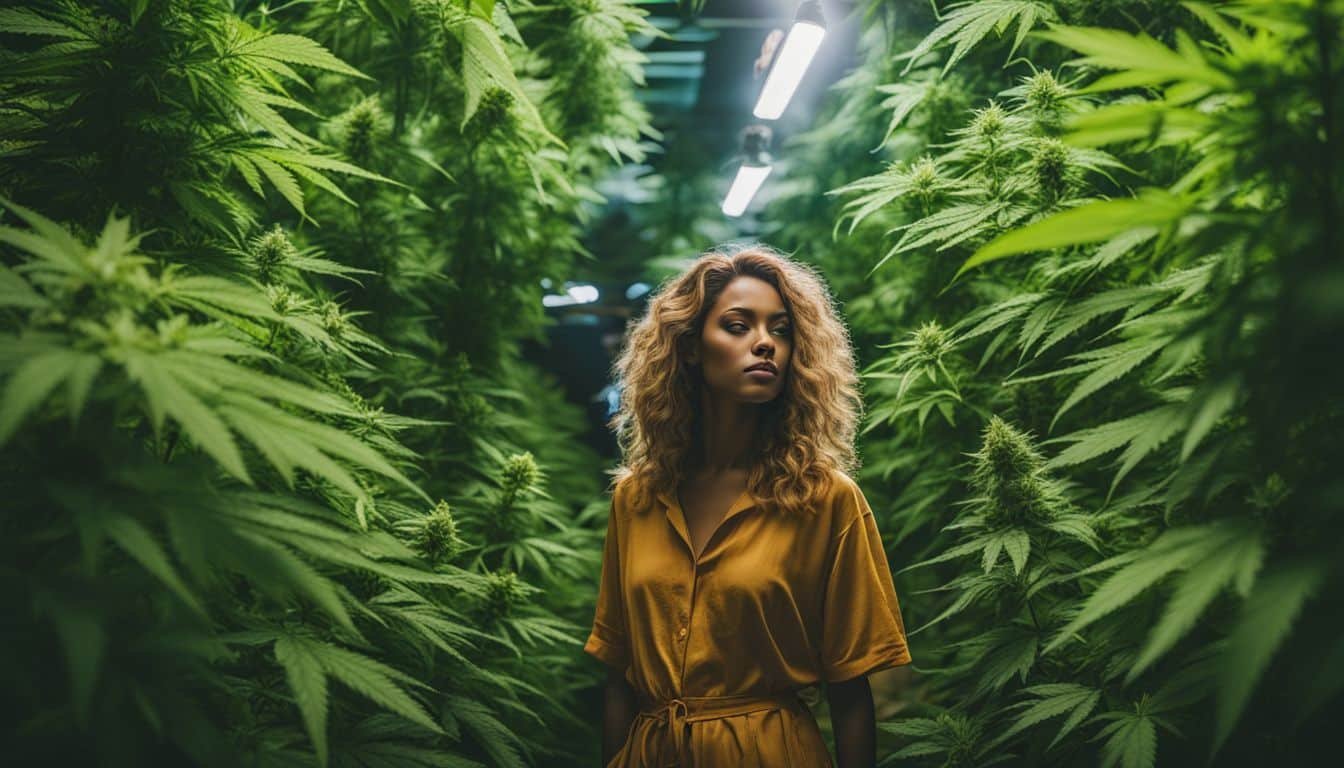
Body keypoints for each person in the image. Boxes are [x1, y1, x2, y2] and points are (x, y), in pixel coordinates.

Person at [583, 244, 913, 767]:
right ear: (691, 347)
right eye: (738, 326)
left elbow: (851, 694)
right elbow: (618, 676)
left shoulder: (826, 499)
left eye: (780, 330)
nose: (766, 344)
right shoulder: (638, 497)